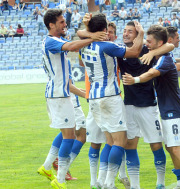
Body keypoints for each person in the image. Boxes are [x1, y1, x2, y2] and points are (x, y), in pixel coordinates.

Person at [122, 24, 180, 189]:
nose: (147, 45)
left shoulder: (164, 59)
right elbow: (168, 45)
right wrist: (152, 51)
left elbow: (151, 73)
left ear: (159, 43)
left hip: (174, 110)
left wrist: (134, 80)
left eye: (149, 42)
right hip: (166, 110)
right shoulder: (159, 55)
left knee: (178, 149)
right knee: (171, 148)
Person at [37, 9, 104, 189]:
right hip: (58, 94)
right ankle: (59, 180)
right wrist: (94, 38)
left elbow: (75, 43)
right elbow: (73, 47)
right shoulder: (51, 41)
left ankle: (49, 170)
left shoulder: (55, 40)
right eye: (61, 22)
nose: (64, 24)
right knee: (70, 136)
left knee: (69, 134)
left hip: (61, 93)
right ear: (51, 25)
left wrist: (86, 28)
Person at [79, 14, 144, 189]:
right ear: (103, 30)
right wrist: (141, 34)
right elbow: (135, 52)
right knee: (121, 141)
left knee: (109, 140)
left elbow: (80, 61)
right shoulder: (107, 46)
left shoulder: (83, 46)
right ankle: (109, 182)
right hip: (109, 97)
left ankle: (101, 180)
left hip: (93, 97)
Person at [116, 21, 175, 189]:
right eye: (125, 31)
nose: (126, 34)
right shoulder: (121, 51)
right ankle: (135, 186)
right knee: (130, 145)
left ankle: (160, 183)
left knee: (156, 144)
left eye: (130, 32)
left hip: (149, 106)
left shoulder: (146, 50)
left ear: (138, 35)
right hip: (129, 106)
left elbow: (169, 46)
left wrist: (152, 51)